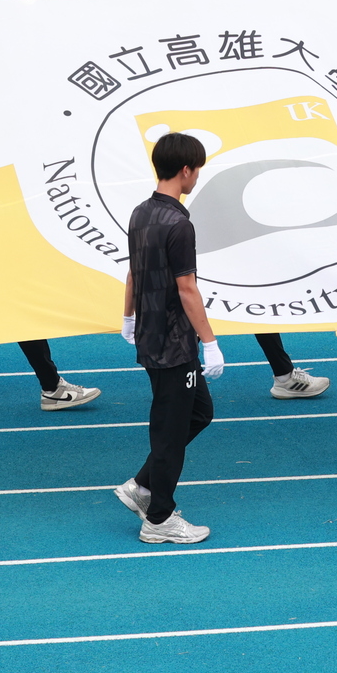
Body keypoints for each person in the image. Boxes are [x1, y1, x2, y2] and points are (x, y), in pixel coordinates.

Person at [114, 132, 224, 545]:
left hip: (152, 336)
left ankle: (142, 486)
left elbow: (133, 271)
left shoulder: (140, 213)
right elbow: (187, 288)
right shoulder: (179, 224)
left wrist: (128, 315)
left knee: (199, 412)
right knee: (170, 431)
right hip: (174, 344)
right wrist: (210, 342)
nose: (197, 177)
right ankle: (158, 519)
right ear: (186, 170)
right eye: (198, 170)